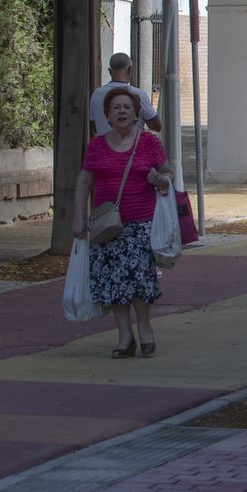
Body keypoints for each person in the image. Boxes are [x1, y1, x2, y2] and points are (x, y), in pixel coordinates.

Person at [73, 88, 176, 358]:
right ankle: (124, 336)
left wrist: (160, 180)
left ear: (136, 114)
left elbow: (168, 174)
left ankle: (144, 327)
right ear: (107, 114)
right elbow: (84, 181)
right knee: (112, 283)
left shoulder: (149, 143)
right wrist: (78, 217)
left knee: (141, 281)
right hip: (106, 227)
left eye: (127, 107)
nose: (121, 112)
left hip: (141, 224)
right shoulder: (96, 145)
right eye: (116, 108)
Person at [88, 53, 161, 136]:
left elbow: (94, 125)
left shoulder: (96, 94)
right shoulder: (138, 95)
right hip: (132, 147)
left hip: (103, 147)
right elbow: (156, 126)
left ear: (110, 71)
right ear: (130, 70)